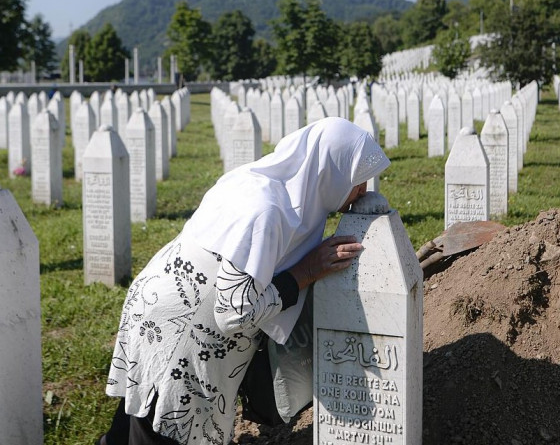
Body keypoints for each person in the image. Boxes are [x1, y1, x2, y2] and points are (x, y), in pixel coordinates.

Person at [98, 117, 390, 445]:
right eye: (358, 181)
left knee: (134, 422)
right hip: (181, 337)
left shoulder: (264, 183)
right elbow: (234, 312)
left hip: (158, 308)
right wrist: (307, 272)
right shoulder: (267, 212)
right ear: (330, 171)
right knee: (160, 428)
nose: (363, 191)